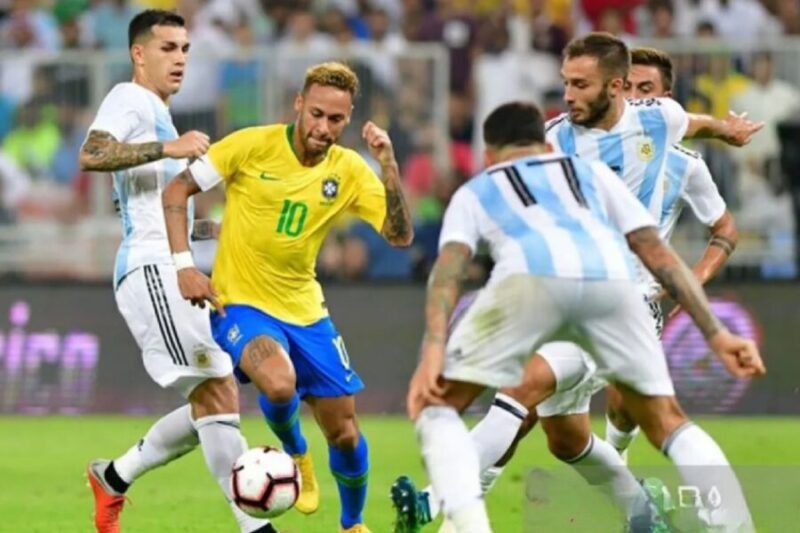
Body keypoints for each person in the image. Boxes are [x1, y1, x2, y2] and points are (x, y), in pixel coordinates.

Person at [393, 35, 759, 532]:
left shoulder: (640, 130)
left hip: (604, 299)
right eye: (565, 83)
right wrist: (724, 129)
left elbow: (687, 172)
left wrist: (726, 131)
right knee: (567, 439)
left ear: (617, 88)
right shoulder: (567, 137)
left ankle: (435, 503)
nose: (567, 95)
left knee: (521, 391)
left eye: (579, 84)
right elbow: (691, 124)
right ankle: (645, 517)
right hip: (589, 298)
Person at [161, 61, 413, 533]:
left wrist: (389, 167)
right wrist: (184, 266)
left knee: (343, 429)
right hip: (240, 305)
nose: (323, 128)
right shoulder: (250, 145)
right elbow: (178, 188)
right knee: (278, 383)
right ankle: (297, 452)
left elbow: (399, 235)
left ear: (349, 118)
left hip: (306, 310)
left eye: (335, 120)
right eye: (316, 113)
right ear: (298, 104)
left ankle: (353, 523)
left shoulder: (349, 170)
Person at [80, 10, 276, 533]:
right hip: (149, 268)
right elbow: (91, 153)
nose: (181, 58)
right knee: (216, 393)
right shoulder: (131, 99)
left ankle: (114, 477)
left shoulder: (157, 112)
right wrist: (172, 148)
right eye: (167, 48)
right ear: (138, 54)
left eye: (185, 49)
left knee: (213, 401)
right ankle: (257, 527)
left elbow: (168, 213)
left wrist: (229, 231)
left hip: (169, 261)